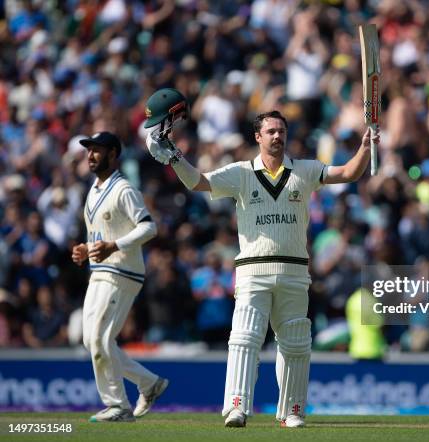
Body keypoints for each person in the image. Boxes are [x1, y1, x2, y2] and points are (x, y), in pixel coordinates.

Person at [143, 88, 378, 428]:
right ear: (258, 136)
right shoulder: (241, 173)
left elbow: (349, 174)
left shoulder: (305, 170)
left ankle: (293, 410)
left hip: (295, 270)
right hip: (253, 270)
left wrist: (366, 148)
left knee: (296, 343)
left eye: (281, 131)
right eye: (270, 131)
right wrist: (176, 158)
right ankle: (237, 406)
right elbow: (199, 183)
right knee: (244, 338)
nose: (277, 135)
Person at [71, 131, 168, 422]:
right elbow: (101, 235)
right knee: (92, 342)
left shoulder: (123, 188)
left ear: (113, 154)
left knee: (100, 340)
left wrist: (115, 245)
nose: (90, 155)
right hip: (99, 272)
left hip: (122, 272)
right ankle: (148, 382)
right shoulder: (94, 189)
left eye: (97, 150)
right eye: (88, 150)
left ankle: (118, 405)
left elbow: (149, 228)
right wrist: (85, 249)